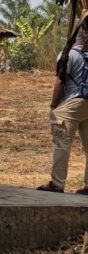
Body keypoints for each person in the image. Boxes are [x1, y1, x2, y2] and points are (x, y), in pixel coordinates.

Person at [38, 27, 88, 194]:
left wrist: (54, 105)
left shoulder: (68, 55)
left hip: (71, 103)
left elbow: (60, 81)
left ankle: (57, 183)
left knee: (62, 144)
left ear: (73, 39)